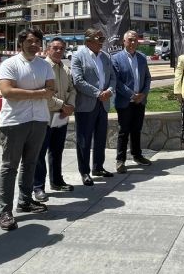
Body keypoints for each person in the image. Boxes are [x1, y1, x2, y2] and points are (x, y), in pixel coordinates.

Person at [0, 28, 55, 231]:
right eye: (29, 41)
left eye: (37, 41)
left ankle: (25, 201)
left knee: (30, 163)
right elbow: (8, 92)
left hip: (39, 120)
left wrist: (29, 93)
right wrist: (38, 93)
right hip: (14, 121)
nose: (33, 45)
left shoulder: (44, 65)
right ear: (21, 43)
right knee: (9, 166)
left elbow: (51, 91)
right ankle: (5, 211)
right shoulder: (9, 64)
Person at [33, 37, 76, 202]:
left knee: (57, 150)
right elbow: (44, 92)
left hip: (61, 115)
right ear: (47, 49)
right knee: (40, 153)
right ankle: (38, 187)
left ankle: (57, 181)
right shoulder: (43, 68)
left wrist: (70, 105)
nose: (59, 51)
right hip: (45, 116)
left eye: (62, 48)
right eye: (55, 48)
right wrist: (62, 104)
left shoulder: (65, 68)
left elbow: (72, 89)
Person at [71, 28, 116, 185]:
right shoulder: (78, 56)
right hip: (86, 104)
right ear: (88, 41)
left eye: (103, 39)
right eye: (99, 40)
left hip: (103, 104)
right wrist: (98, 93)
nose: (102, 43)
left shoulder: (105, 56)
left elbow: (112, 77)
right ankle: (84, 172)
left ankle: (98, 167)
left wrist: (109, 90)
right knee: (84, 140)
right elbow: (77, 80)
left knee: (100, 138)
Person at [112, 30, 152, 173]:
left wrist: (143, 94)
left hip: (140, 101)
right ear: (124, 41)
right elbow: (117, 82)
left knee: (137, 129)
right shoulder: (116, 58)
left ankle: (137, 155)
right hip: (125, 101)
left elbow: (147, 78)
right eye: (130, 40)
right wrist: (131, 94)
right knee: (124, 131)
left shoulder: (142, 57)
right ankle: (120, 160)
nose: (133, 42)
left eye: (135, 40)